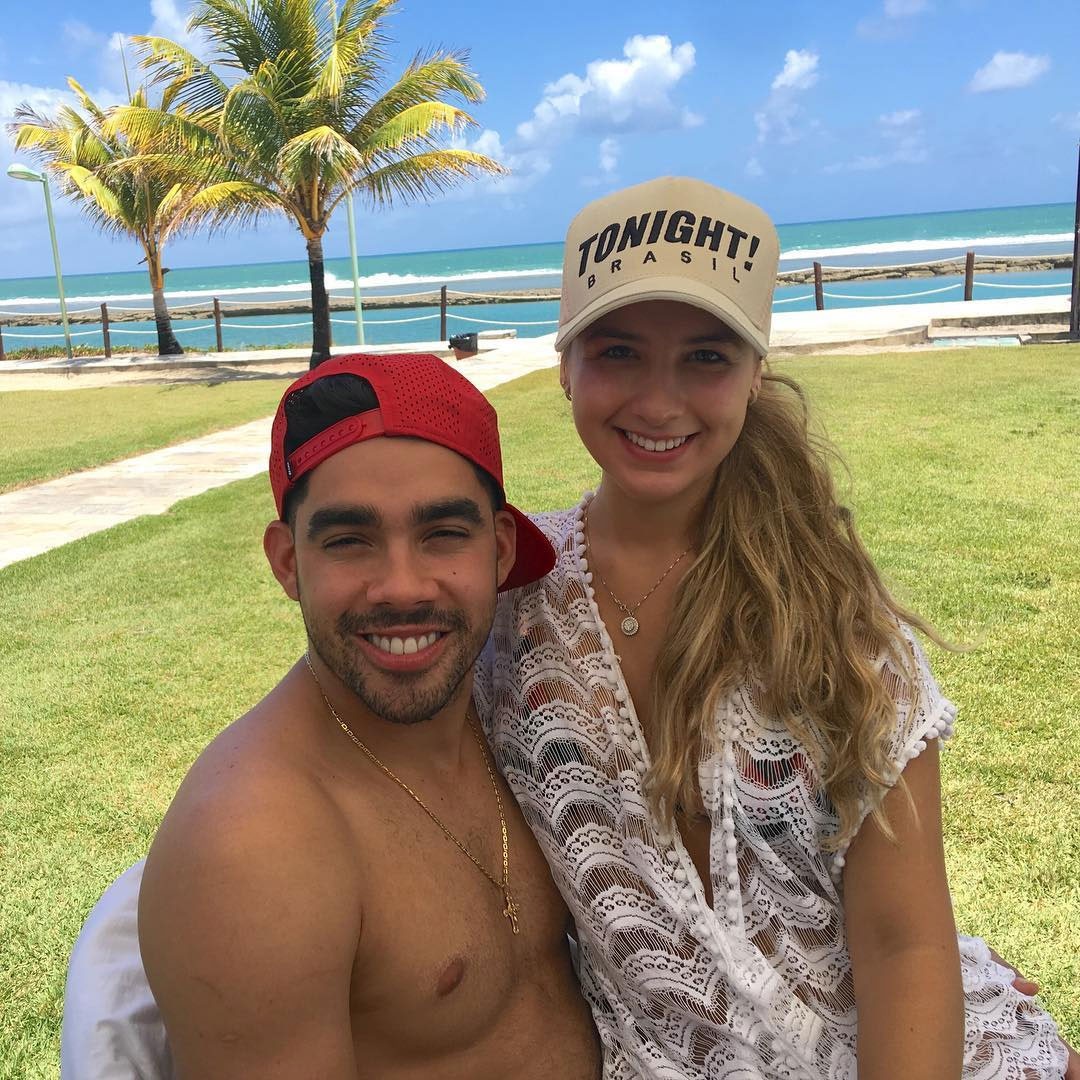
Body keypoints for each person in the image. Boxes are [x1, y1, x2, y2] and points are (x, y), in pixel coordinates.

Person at [473, 176, 1075, 1079]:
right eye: (619, 351)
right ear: (565, 366)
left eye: (706, 358)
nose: (659, 402)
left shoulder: (830, 614)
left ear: (756, 372)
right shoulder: (505, 600)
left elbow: (907, 944)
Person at [71, 353, 601, 1078]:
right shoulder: (255, 846)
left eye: (444, 533)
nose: (402, 587)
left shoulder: (520, 713)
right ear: (288, 562)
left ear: (501, 548)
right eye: (349, 540)